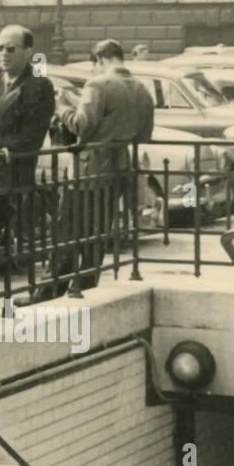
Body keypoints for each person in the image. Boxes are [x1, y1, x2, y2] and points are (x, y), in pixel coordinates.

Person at [0, 24, 56, 321]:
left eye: (11, 49)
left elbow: (33, 131)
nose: (3, 54)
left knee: (3, 235)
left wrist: (6, 150)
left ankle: (0, 299)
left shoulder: (39, 85)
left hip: (13, 172)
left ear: (29, 52)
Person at [51, 38, 154, 293]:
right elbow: (144, 136)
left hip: (88, 169)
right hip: (118, 167)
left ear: (101, 59)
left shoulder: (97, 84)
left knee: (68, 231)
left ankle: (51, 290)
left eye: (93, 64)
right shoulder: (141, 88)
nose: (93, 70)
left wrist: (62, 107)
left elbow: (82, 125)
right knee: (98, 233)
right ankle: (86, 286)